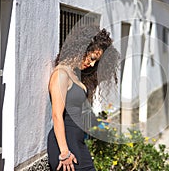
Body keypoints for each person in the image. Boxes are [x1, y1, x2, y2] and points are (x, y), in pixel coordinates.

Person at [47, 25, 119, 171]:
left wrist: (98, 123)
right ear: (81, 49)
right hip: (65, 145)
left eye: (96, 62)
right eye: (92, 58)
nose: (92, 64)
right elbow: (57, 115)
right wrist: (64, 153)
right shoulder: (61, 74)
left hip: (78, 143)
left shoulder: (74, 75)